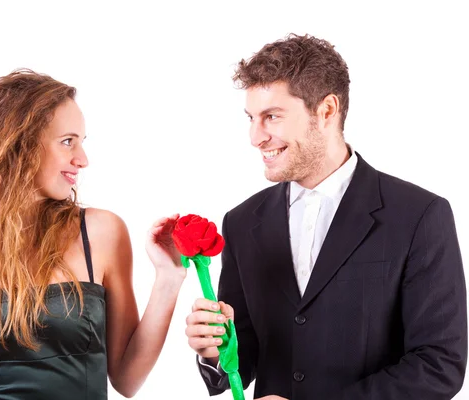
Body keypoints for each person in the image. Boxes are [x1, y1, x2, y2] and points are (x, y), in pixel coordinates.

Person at [185, 34, 467, 399]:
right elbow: (246, 356)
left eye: (272, 116)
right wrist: (214, 352)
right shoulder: (242, 222)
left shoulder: (420, 215)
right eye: (252, 118)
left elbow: (439, 365)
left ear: (327, 111)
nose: (256, 137)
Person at [0, 69, 185, 400]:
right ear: (19, 144)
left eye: (81, 142)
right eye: (68, 141)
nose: (83, 159)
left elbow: (126, 379)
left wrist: (169, 277)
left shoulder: (101, 232)